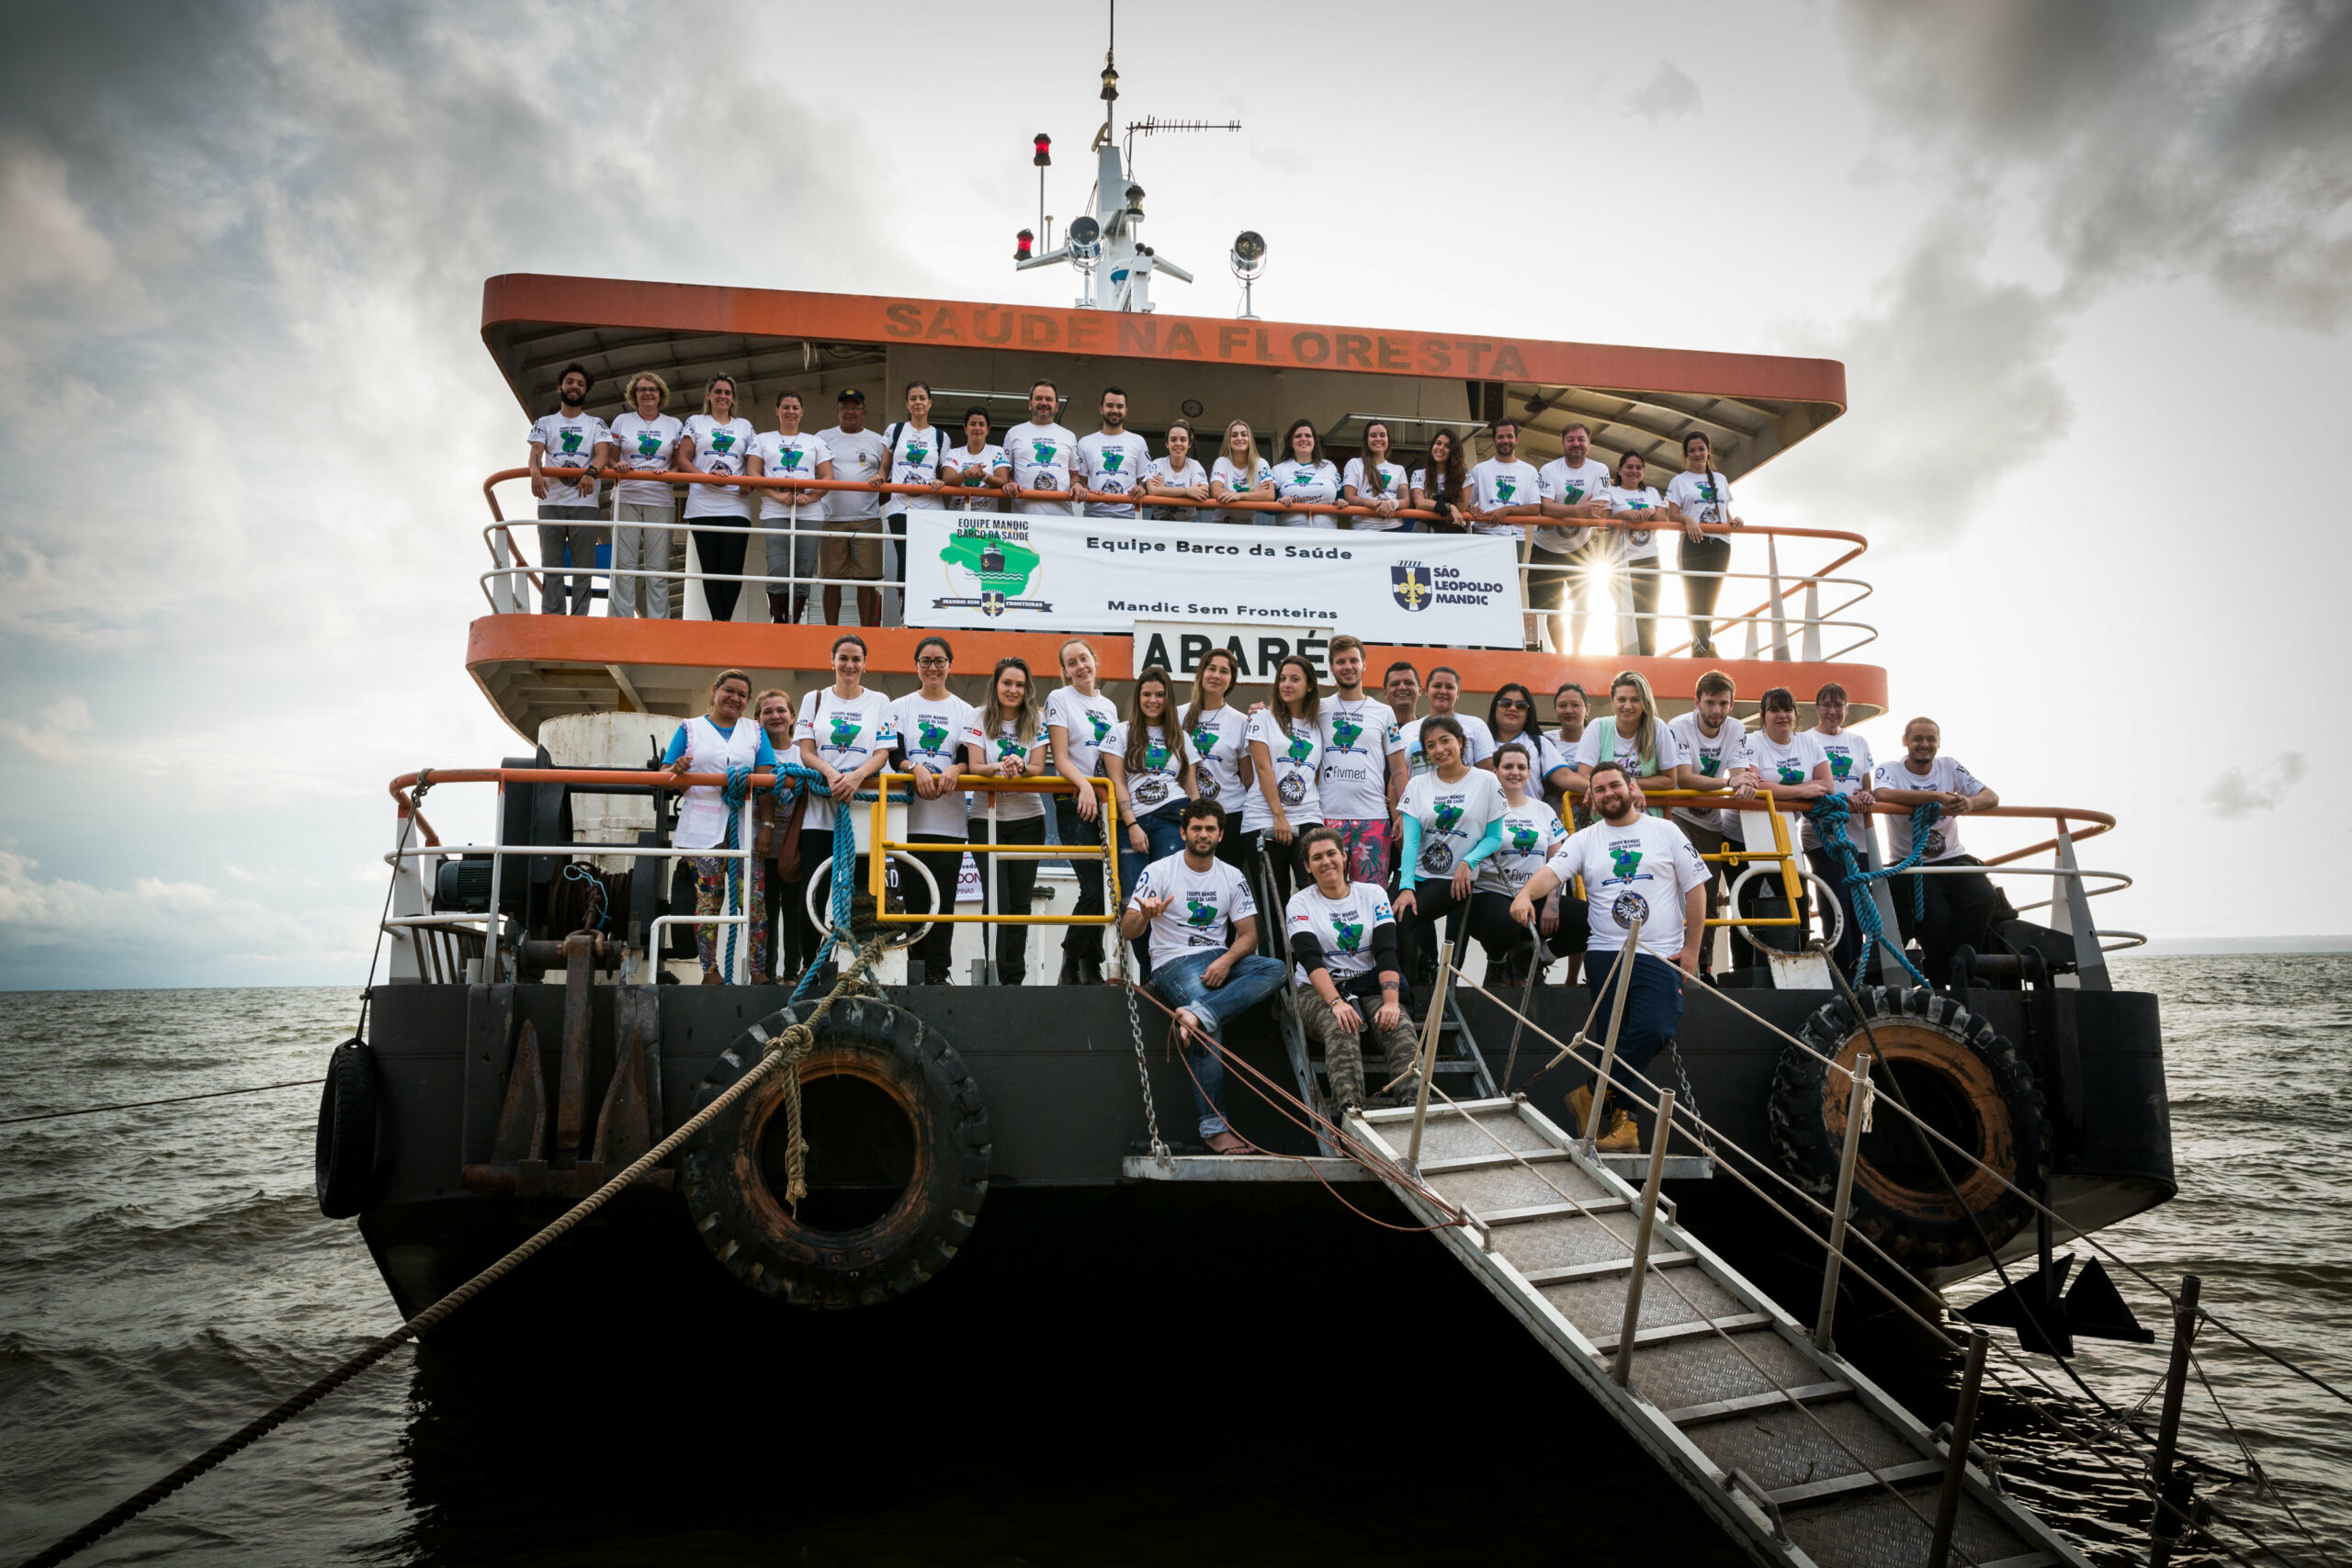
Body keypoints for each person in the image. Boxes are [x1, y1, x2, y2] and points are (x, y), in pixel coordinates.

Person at [1510, 760, 1709, 1151]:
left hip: (1660, 955)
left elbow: (1697, 889)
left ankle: (1590, 1092)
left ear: (1631, 787)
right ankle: (1624, 1127)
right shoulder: (1585, 839)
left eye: (1614, 785)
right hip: (1606, 955)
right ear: (1592, 797)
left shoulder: (1665, 831)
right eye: (1599, 790)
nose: (1608, 794)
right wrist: (1523, 895)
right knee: (1613, 1040)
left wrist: (1692, 951)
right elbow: (1552, 873)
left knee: (1657, 1027)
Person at [1119, 799, 1290, 1155]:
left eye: (1210, 829)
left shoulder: (1232, 875)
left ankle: (1199, 1012)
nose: (1202, 834)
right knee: (1210, 1030)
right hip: (1173, 961)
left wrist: (1226, 961)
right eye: (1196, 828)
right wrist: (1146, 915)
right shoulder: (1159, 871)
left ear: (1221, 834)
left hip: (1217, 957)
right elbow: (1128, 932)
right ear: (1183, 832)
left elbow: (1249, 936)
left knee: (1274, 968)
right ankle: (1214, 1127)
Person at [1286, 826, 1420, 1113]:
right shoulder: (1299, 902)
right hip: (1316, 990)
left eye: (1332, 853)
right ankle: (1351, 1113)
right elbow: (1310, 960)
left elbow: (1386, 952)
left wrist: (1392, 1002)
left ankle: (1413, 1110)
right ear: (1308, 866)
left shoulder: (1373, 894)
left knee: (1399, 1024)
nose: (1326, 862)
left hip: (1366, 984)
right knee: (1341, 1024)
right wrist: (1335, 1002)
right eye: (1317, 857)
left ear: (1344, 856)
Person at [790, 634, 899, 978]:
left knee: (863, 893)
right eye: (843, 658)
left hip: (864, 812)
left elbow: (883, 753)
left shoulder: (880, 700)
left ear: (865, 664)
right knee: (815, 890)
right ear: (832, 661)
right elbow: (806, 751)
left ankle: (857, 967)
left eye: (856, 659)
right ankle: (812, 965)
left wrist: (856, 777)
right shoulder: (815, 698)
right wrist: (833, 774)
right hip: (820, 813)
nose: (849, 665)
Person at [663, 670, 780, 984]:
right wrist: (678, 771)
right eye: (729, 691)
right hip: (702, 830)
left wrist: (767, 825)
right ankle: (709, 971)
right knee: (707, 903)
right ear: (714, 690)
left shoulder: (755, 731)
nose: (735, 698)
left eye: (742, 695)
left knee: (754, 905)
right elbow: (666, 775)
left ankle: (757, 972)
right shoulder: (690, 729)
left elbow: (767, 780)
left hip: (745, 830)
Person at [1870, 718, 2005, 982]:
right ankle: (1939, 973)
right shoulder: (1891, 770)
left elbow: (1992, 796)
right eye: (1918, 738)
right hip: (1913, 864)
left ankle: (1962, 965)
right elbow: (1883, 795)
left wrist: (1969, 802)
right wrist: (1937, 798)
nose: (1924, 745)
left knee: (1983, 896)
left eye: (1931, 739)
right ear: (1905, 741)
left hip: (1953, 859)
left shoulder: (1949, 766)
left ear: (1939, 742)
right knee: (1935, 917)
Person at [891, 636, 977, 987]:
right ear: (916, 666)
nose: (933, 667)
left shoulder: (966, 711)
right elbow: (894, 754)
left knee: (943, 902)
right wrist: (916, 768)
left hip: (950, 823)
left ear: (950, 666)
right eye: (925, 661)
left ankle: (938, 972)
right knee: (914, 900)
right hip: (908, 822)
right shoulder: (899, 707)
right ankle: (915, 969)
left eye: (939, 661)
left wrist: (956, 770)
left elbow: (967, 756)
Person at [1103, 664, 1199, 976]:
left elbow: (1191, 788)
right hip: (1134, 823)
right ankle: (1149, 972)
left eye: (1159, 695)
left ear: (1168, 698)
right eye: (1147, 694)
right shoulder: (1120, 731)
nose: (1153, 700)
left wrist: (1201, 828)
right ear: (1138, 696)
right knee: (1135, 902)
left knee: (1169, 900)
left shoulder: (1181, 737)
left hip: (1174, 819)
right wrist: (1131, 824)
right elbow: (1117, 783)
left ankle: (1163, 972)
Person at [1394, 716, 1507, 974]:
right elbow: (1411, 840)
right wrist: (1406, 886)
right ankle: (1413, 982)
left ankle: (1429, 980)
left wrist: (1469, 861)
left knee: (1405, 919)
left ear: (1460, 741)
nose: (1439, 750)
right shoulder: (1417, 784)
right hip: (1417, 873)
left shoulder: (1486, 781)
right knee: (1390, 919)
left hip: (1454, 878)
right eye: (1430, 745)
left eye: (1445, 741)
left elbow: (1494, 837)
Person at [963, 657, 1049, 985]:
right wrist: (999, 766)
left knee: (1019, 902)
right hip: (986, 819)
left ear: (1027, 689)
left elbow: (1040, 768)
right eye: (1007, 683)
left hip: (1029, 820)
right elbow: (973, 767)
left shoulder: (1036, 719)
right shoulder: (979, 717)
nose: (1013, 690)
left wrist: (1022, 767)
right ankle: (995, 971)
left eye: (1019, 684)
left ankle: (1015, 977)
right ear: (995, 686)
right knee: (997, 899)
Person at [1732, 686, 1833, 955]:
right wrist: (1801, 790)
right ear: (1762, 715)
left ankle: (1797, 957)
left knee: (1796, 897)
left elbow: (1827, 784)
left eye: (1787, 709)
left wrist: (1789, 792)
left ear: (1795, 714)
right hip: (1742, 834)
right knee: (1745, 901)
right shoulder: (1752, 742)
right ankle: (1744, 971)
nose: (1782, 716)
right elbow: (1757, 786)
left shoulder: (1808, 743)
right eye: (1774, 710)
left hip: (1782, 831)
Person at [1666, 670, 1756, 970]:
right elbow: (1684, 778)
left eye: (1723, 703)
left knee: (1708, 892)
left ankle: (1703, 965)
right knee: (1679, 886)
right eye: (1710, 703)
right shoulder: (1678, 726)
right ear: (1697, 702)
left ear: (1731, 704)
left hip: (1710, 821)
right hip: (1677, 815)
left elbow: (1742, 774)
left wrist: (1740, 781)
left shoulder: (1736, 728)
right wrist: (1732, 783)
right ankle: (1673, 959)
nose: (1716, 710)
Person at [1046, 637, 1121, 985]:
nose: (1080, 667)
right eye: (1072, 662)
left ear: (1095, 661)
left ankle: (1091, 963)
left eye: (1084, 659)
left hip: (1104, 805)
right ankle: (1073, 957)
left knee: (1106, 889)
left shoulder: (1109, 707)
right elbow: (1060, 758)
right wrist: (1086, 787)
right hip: (1075, 802)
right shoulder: (1059, 699)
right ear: (1064, 671)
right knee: (1092, 887)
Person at [1475, 741, 1573, 985]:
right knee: (1506, 922)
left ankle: (1532, 958)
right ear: (1495, 771)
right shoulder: (1480, 809)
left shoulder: (1544, 811)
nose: (1515, 772)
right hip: (1492, 894)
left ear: (1529, 772)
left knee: (1590, 919)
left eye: (1522, 767)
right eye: (1508, 766)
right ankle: (1497, 962)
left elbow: (1558, 861)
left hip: (1536, 896)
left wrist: (1552, 901)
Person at [1316, 635, 1407, 886]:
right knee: (1328, 896)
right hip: (1326, 819)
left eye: (1353, 660)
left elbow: (1399, 769)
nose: (1348, 666)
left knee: (1370, 898)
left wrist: (1403, 813)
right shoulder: (1318, 708)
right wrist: (1261, 710)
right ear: (1332, 667)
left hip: (1373, 820)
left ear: (1364, 665)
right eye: (1340, 661)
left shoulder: (1384, 712)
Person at [526, 363, 614, 616]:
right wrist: (534, 471)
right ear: (560, 387)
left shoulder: (596, 424)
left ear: (585, 391)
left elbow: (602, 454)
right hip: (550, 502)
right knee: (551, 564)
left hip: (584, 504)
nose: (574, 387)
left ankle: (579, 618)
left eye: (580, 384)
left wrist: (591, 472)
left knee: (583, 567)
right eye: (570, 382)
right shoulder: (545, 422)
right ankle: (552, 617)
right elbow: (535, 453)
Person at [1242, 654, 1327, 909]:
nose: (1286, 684)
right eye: (1282, 679)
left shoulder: (1318, 723)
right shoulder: (1262, 719)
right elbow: (1263, 768)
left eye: (1294, 679)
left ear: (1310, 685)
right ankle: (1276, 952)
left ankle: (1310, 951)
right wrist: (1279, 816)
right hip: (1263, 820)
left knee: (1316, 900)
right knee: (1274, 906)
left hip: (1309, 817)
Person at [745, 389, 831, 626]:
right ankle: (779, 616)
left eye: (795, 407)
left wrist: (811, 497)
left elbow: (827, 477)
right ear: (776, 410)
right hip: (775, 510)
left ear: (802, 412)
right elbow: (753, 475)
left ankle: (796, 616)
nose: (790, 412)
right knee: (778, 565)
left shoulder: (815, 442)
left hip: (809, 512)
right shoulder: (762, 439)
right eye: (785, 407)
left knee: (805, 567)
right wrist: (776, 495)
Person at [1808, 682, 1877, 976]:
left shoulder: (1859, 743)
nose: (1832, 711)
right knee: (1835, 902)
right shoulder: (1806, 740)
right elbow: (1807, 785)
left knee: (1860, 907)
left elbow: (1866, 786)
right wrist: (1838, 799)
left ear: (1847, 709)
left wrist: (1864, 796)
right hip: (1823, 837)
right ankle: (1841, 973)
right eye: (1826, 705)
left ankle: (1860, 969)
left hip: (1858, 837)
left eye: (1838, 705)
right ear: (1817, 708)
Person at [675, 377, 756, 621]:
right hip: (702, 505)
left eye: (728, 392)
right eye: (718, 391)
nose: (723, 396)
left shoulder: (744, 426)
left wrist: (749, 483)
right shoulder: (695, 422)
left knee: (732, 568)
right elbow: (683, 459)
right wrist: (706, 478)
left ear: (733, 398)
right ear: (708, 395)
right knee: (710, 569)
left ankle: (724, 620)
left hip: (735, 504)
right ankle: (718, 621)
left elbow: (753, 460)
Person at [1532, 423, 1616, 653]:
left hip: (1580, 547)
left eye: (1581, 439)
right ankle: (1561, 654)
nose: (1576, 444)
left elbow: (1597, 509)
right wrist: (1581, 509)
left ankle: (1577, 653)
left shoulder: (1599, 470)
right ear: (1563, 443)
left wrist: (1564, 510)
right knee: (1553, 608)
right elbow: (1546, 509)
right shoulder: (1550, 469)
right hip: (1546, 547)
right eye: (1571, 439)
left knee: (1581, 604)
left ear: (1589, 443)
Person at [607, 371, 682, 620]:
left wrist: (670, 471)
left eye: (653, 389)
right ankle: (620, 621)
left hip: (660, 499)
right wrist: (617, 464)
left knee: (658, 568)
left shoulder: (674, 424)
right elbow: (610, 454)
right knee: (623, 566)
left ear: (661, 394)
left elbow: (681, 462)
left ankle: (659, 624)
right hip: (626, 496)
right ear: (634, 395)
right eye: (642, 389)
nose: (648, 393)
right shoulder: (621, 421)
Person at [1665, 432, 1743, 658]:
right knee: (1694, 596)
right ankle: (1703, 646)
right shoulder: (1679, 481)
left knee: (1710, 598)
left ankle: (1701, 646)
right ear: (1686, 455)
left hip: (1720, 543)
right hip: (1693, 542)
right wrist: (1688, 519)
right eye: (1692, 450)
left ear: (1709, 450)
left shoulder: (1720, 479)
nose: (1697, 454)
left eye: (1701, 449)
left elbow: (1725, 512)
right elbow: (1672, 515)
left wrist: (1735, 521)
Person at [1465, 419, 1543, 641]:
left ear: (1517, 439)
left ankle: (1501, 640)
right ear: (1493, 440)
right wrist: (1474, 509)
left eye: (1510, 436)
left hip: (1514, 539)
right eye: (1501, 436)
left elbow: (1536, 507)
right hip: (1484, 537)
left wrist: (1507, 510)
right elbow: (1468, 504)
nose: (1505, 440)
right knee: (1481, 590)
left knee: (1507, 594)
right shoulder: (1480, 469)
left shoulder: (1528, 471)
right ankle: (1479, 639)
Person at [1178, 648, 1254, 869]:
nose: (1216, 675)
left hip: (1230, 815)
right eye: (1211, 669)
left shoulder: (1241, 722)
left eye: (1224, 671)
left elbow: (1248, 779)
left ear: (1231, 680)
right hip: (1185, 812)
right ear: (1201, 673)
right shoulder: (1176, 715)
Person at [819, 389, 888, 627]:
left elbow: (886, 480)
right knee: (830, 578)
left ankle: (867, 630)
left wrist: (866, 500)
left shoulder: (878, 441)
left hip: (867, 518)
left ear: (864, 412)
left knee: (867, 579)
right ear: (837, 411)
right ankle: (830, 630)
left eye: (855, 407)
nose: (850, 412)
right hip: (831, 518)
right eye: (845, 407)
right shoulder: (823, 437)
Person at [880, 380, 946, 625]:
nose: (918, 402)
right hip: (900, 507)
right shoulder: (895, 430)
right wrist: (879, 476)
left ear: (930, 403)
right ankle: (907, 616)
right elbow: (885, 466)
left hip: (931, 509)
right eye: (913, 398)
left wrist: (942, 482)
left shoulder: (940, 436)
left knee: (929, 562)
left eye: (922, 398)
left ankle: (927, 615)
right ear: (907, 403)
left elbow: (945, 471)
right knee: (905, 559)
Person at [752, 686, 806, 985]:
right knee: (766, 913)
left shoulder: (803, 752)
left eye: (781, 710)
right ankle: (766, 975)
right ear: (757, 719)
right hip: (762, 847)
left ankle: (791, 976)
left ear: (793, 716)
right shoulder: (753, 753)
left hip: (795, 845)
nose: (775, 716)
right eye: (767, 711)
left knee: (795, 911)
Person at [1573, 671, 1687, 807]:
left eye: (1635, 700)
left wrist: (1631, 782)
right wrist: (1627, 786)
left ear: (1645, 702)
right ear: (1612, 701)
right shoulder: (1597, 727)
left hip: (1647, 814)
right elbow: (1584, 776)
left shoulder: (1658, 728)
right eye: (1621, 700)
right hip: (1606, 814)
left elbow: (1670, 780)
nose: (1627, 706)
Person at [1604, 452, 1668, 656]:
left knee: (1649, 613)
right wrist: (1624, 514)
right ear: (1620, 470)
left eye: (1638, 467)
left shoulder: (1650, 492)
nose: (1634, 471)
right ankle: (1624, 656)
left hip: (1648, 558)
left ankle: (1648, 657)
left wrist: (1650, 512)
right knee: (1624, 613)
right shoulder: (1611, 492)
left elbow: (1663, 520)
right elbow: (1601, 524)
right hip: (1620, 561)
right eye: (1629, 467)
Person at [1401, 666, 1497, 777]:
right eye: (1437, 686)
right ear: (1426, 691)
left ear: (1458, 694)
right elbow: (1397, 777)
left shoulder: (1476, 726)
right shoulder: (1407, 730)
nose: (1442, 691)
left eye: (1450, 687)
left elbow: (1488, 772)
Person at [1003, 379, 1080, 517]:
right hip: (1024, 519)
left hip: (1062, 519)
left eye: (1049, 399)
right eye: (1038, 398)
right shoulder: (1014, 433)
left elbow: (1074, 475)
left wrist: (1078, 485)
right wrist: (1009, 483)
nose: (1043, 403)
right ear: (1030, 404)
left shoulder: (1069, 436)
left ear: (1056, 406)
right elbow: (1004, 472)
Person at [1488, 682, 1576, 799]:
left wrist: (1596, 786)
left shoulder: (1538, 743)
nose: (1513, 708)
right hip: (1488, 816)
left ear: (1528, 715)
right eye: (1506, 703)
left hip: (1531, 817)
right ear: (1495, 708)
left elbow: (1565, 777)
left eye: (1521, 705)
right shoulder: (1480, 741)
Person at [1078, 386, 1152, 520]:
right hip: (1093, 518)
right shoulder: (1085, 442)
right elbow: (1080, 482)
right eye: (1110, 406)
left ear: (1126, 411)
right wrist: (1089, 493)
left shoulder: (1138, 441)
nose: (1115, 410)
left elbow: (1145, 480)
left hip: (1128, 518)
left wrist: (1142, 489)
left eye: (1120, 406)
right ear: (1101, 409)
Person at [1269, 418, 1342, 528]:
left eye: (1308, 436)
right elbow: (1265, 507)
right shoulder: (1278, 469)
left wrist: (1341, 502)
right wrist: (1279, 503)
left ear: (1314, 441)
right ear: (1290, 442)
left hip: (1326, 536)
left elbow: (1341, 498)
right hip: (1291, 538)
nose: (1303, 439)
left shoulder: (1329, 466)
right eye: (1298, 436)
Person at [1340, 419, 1410, 531]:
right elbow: (1349, 497)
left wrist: (1392, 504)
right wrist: (1376, 504)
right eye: (1373, 435)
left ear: (1388, 440)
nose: (1378, 439)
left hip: (1395, 528)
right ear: (1366, 440)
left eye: (1382, 435)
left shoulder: (1399, 469)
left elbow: (1406, 501)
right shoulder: (1354, 464)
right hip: (1364, 528)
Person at [941, 407, 1009, 512]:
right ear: (965, 428)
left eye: (981, 424)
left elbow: (1003, 481)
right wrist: (966, 474)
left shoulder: (997, 451)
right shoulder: (954, 453)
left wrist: (984, 476)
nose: (977, 428)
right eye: (972, 424)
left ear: (988, 429)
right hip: (956, 519)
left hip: (986, 520)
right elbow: (947, 480)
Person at [1142, 420, 1210, 521]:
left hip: (1188, 525)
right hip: (1159, 524)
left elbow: (1203, 491)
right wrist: (1187, 491)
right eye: (1173, 440)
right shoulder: (1158, 463)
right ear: (1167, 443)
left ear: (1189, 444)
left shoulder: (1195, 465)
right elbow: (1153, 490)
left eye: (1183, 440)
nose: (1178, 443)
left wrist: (1164, 489)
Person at [1209, 419, 1273, 523]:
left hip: (1248, 526)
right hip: (1221, 526)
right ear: (1228, 441)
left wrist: (1238, 495)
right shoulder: (1221, 462)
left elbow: (1270, 495)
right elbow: (1216, 491)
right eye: (1234, 435)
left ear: (1250, 439)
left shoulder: (1261, 463)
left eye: (1244, 435)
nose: (1239, 438)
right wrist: (1253, 494)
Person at [1551, 682, 1595, 829]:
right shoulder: (1544, 741)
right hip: (1553, 817)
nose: (1568, 710)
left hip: (1592, 818)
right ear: (1555, 710)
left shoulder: (1599, 740)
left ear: (1587, 709)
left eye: (1575, 705)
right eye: (1562, 705)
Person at [1410, 429, 1470, 532]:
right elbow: (1420, 502)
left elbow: (1463, 506)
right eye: (1438, 443)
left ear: (1454, 452)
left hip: (1454, 532)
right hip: (1426, 532)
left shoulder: (1464, 475)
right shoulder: (1419, 474)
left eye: (1447, 446)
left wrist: (1433, 506)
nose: (1441, 448)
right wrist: (1450, 507)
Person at [1382, 660, 1421, 737]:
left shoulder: (1428, 730)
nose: (1402, 687)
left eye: (1409, 683)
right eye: (1395, 684)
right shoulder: (1377, 731)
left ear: (1419, 690)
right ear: (1385, 692)